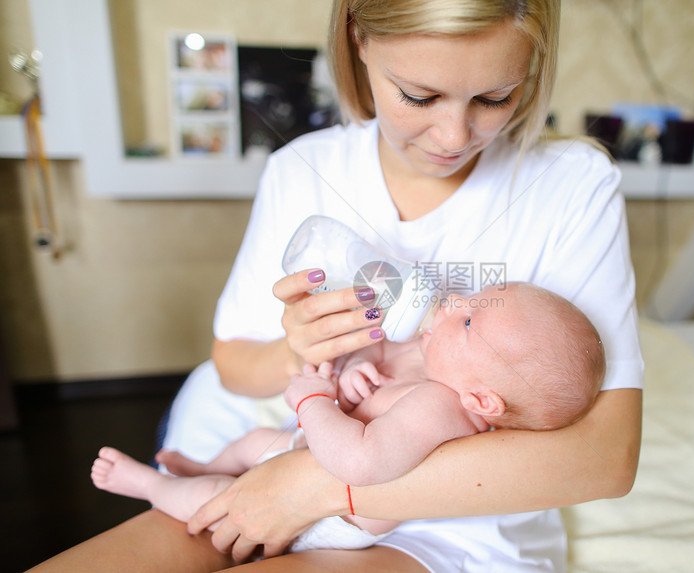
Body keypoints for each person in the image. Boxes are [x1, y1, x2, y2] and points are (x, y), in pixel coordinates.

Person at [28, 1, 643, 571]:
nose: (455, 136)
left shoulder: (571, 184)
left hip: (462, 517)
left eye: (494, 96)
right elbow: (234, 366)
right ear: (360, 41)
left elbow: (605, 459)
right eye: (419, 95)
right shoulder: (304, 170)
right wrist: (299, 352)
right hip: (292, 451)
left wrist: (318, 486)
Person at [90, 283, 606, 553]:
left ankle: (153, 487)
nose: (451, 304)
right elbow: (379, 374)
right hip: (307, 458)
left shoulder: (441, 408)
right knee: (250, 444)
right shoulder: (439, 374)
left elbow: (360, 460)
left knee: (217, 502)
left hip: (325, 518)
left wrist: (312, 401)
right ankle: (197, 464)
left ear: (485, 401)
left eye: (468, 320)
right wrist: (358, 370)